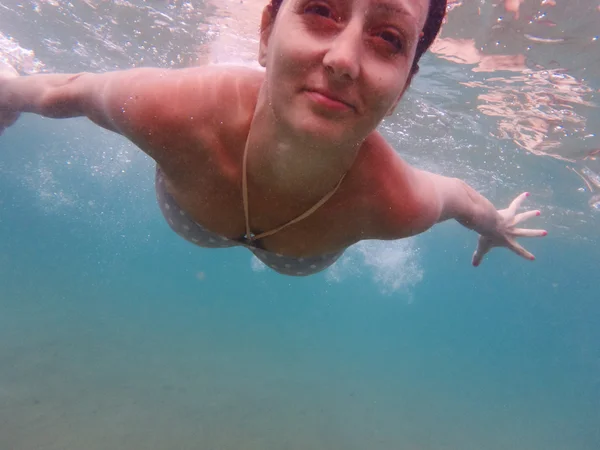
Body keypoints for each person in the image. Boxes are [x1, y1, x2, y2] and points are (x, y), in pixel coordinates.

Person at [0, 0, 546, 276]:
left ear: (403, 88)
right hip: (210, 211)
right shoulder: (171, 109)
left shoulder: (395, 202)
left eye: (388, 38)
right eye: (320, 9)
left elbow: (456, 196)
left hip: (288, 250)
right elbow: (62, 91)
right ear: (266, 33)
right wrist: (7, 94)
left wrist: (495, 224)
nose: (342, 61)